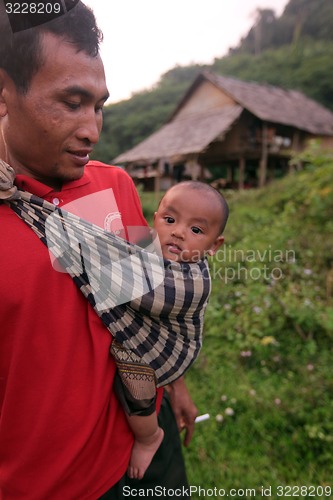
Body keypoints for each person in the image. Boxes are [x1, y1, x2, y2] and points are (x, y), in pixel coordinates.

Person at [0, 2, 198, 498]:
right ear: (4, 94)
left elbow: (149, 307)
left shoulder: (114, 185)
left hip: (146, 447)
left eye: (98, 105)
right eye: (71, 103)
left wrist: (175, 385)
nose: (92, 129)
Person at [114, 181, 228, 480]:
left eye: (196, 230)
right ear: (154, 221)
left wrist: (88, 255)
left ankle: (149, 436)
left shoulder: (193, 281)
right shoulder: (152, 247)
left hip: (165, 353)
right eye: (170, 220)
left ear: (214, 246)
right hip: (144, 335)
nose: (178, 232)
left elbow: (137, 292)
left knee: (135, 384)